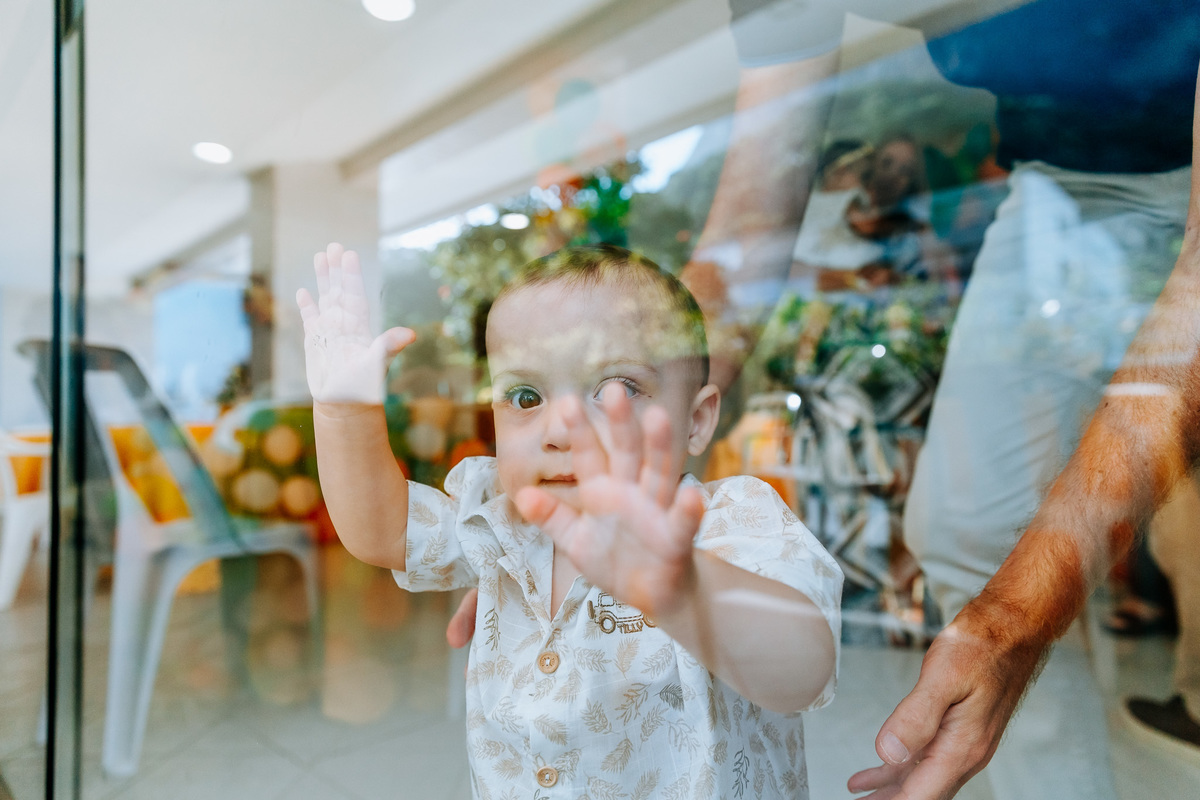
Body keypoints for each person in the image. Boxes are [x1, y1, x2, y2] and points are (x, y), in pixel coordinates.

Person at [676, 1, 1200, 798]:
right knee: (970, 524)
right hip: (1065, 184)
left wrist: (1015, 621)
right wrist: (621, 413)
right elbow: (747, 226)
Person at [297, 242, 843, 798]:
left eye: (615, 390)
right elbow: (385, 531)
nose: (559, 430)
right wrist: (344, 412)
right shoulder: (504, 518)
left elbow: (803, 673)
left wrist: (685, 587)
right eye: (525, 395)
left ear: (696, 421)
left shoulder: (728, 521)